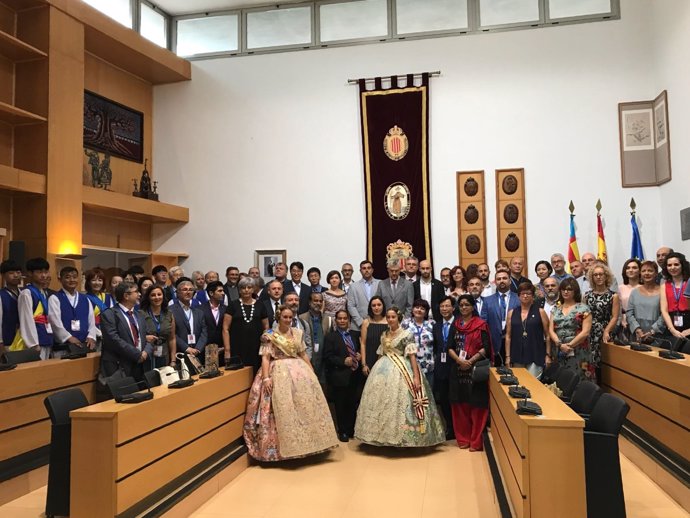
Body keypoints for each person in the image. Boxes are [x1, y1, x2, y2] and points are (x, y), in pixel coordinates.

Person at [243, 305, 338, 461]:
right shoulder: (269, 335)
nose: (288, 320)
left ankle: (307, 444)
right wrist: (266, 378)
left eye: (290, 317)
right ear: (278, 318)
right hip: (277, 370)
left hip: (298, 371)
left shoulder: (297, 333)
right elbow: (266, 358)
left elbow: (303, 354)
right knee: (280, 406)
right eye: (284, 317)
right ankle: (278, 449)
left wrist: (311, 371)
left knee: (303, 405)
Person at [354, 306, 446, 447]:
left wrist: (416, 376)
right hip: (383, 370)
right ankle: (381, 435)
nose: (390, 320)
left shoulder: (406, 334)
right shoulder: (384, 334)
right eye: (389, 317)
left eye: (393, 317)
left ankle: (404, 436)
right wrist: (375, 374)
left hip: (402, 369)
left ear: (399, 318)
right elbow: (381, 353)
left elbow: (412, 356)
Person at [448, 294, 492, 451]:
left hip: (476, 371)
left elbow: (486, 348)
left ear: (473, 307)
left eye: (467, 304)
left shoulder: (481, 325)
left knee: (477, 408)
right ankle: (463, 439)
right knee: (460, 407)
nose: (464, 307)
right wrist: (460, 361)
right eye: (461, 305)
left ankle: (475, 441)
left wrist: (470, 361)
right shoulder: (456, 324)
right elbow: (449, 347)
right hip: (458, 370)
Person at [324, 310, 364, 442]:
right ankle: (343, 431)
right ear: (335, 321)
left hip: (354, 375)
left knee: (352, 404)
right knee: (340, 405)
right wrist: (342, 361)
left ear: (349, 321)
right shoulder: (331, 337)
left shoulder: (355, 335)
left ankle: (352, 429)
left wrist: (359, 354)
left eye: (345, 318)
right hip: (339, 376)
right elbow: (328, 357)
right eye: (339, 319)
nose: (342, 321)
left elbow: (360, 349)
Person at [100, 282, 152, 382]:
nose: (140, 294)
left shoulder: (139, 314)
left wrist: (145, 352)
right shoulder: (109, 314)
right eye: (136, 292)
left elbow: (149, 336)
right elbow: (113, 340)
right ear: (126, 296)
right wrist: (137, 354)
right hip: (120, 365)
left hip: (141, 364)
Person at [549, 278, 593, 381]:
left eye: (569, 289)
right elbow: (551, 330)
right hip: (559, 349)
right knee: (561, 380)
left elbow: (585, 332)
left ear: (575, 291)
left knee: (580, 381)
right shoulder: (555, 308)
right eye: (563, 289)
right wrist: (560, 345)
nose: (565, 292)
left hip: (578, 349)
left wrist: (569, 346)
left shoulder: (584, 308)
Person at [505, 282, 550, 378]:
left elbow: (548, 335)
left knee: (533, 385)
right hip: (517, 355)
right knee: (518, 385)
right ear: (518, 296)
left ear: (533, 296)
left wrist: (548, 355)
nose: (525, 296)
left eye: (528, 293)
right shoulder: (511, 313)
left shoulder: (540, 312)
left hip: (536, 354)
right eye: (522, 293)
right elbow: (508, 336)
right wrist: (508, 357)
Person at [223, 277, 268, 372]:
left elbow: (266, 327)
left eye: (249, 287)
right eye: (243, 287)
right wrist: (227, 350)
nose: (246, 290)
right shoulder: (233, 305)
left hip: (256, 346)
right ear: (239, 290)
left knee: (256, 374)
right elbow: (225, 328)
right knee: (237, 377)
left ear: (253, 289)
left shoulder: (260, 305)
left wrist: (265, 341)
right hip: (237, 347)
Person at [48, 266, 98, 353]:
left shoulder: (85, 299)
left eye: (74, 277)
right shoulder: (55, 298)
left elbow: (91, 321)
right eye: (67, 277)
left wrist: (91, 336)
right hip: (64, 345)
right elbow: (55, 322)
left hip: (84, 344)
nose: (72, 280)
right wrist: (68, 337)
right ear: (60, 279)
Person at [584, 262, 619, 380]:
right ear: (592, 278)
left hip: (605, 331)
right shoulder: (586, 295)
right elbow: (583, 315)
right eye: (595, 275)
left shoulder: (613, 296)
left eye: (601, 274)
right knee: (589, 362)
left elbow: (614, 316)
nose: (598, 277)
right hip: (589, 332)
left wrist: (606, 331)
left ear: (606, 276)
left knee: (603, 364)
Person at [480, 270, 519, 365]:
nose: (502, 281)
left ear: (510, 281)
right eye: (499, 279)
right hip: (494, 344)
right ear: (495, 282)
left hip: (515, 342)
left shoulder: (519, 298)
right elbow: (483, 324)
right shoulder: (487, 301)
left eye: (504, 278)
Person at [17, 257, 53, 359]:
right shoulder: (26, 293)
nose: (44, 275)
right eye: (39, 272)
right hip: (35, 342)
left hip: (45, 336)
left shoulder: (43, 292)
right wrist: (33, 343)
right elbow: (26, 319)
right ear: (30, 273)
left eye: (46, 272)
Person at [432, 296, 456, 440]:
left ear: (453, 308)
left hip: (455, 364)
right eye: (442, 306)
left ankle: (459, 427)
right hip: (441, 366)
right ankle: (450, 427)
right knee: (444, 398)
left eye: (447, 306)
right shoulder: (437, 325)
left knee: (456, 398)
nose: (445, 309)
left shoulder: (459, 323)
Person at [170, 277, 208, 367]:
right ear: (178, 292)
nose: (188, 292)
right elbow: (172, 334)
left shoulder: (199, 312)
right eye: (184, 289)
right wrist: (187, 348)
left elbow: (204, 332)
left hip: (197, 354)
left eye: (191, 290)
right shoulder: (170, 311)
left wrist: (198, 349)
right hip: (180, 354)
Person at [627, 261, 666, 342]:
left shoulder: (663, 291)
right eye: (643, 271)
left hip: (658, 336)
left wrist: (652, 331)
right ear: (640, 273)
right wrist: (637, 329)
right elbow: (629, 313)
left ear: (656, 273)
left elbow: (664, 315)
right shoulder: (634, 292)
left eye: (650, 271)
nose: (646, 273)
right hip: (637, 335)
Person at [300, 291, 332, 389]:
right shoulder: (301, 318)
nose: (318, 303)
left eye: (320, 301)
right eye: (315, 300)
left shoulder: (328, 319)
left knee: (322, 387)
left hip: (323, 359)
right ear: (310, 302)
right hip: (307, 358)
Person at [140, 285, 176, 369]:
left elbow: (172, 338)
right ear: (148, 297)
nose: (157, 297)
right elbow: (135, 336)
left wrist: (173, 360)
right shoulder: (141, 314)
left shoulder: (169, 314)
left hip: (164, 354)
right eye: (153, 295)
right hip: (147, 355)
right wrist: (144, 338)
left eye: (159, 294)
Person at [402, 299, 435, 387]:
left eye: (422, 308)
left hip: (428, 364)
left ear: (426, 312)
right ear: (412, 309)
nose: (419, 310)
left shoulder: (432, 324)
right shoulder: (405, 324)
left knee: (428, 393)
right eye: (417, 307)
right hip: (409, 364)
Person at [660, 252, 690, 338]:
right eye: (669, 265)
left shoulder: (689, 282)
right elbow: (664, 310)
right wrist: (672, 329)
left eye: (676, 264)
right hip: (672, 326)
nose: (672, 268)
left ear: (682, 265)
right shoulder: (664, 285)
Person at [347, 260, 379, 330]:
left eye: (369, 268)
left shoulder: (380, 284)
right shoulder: (353, 286)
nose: (366, 270)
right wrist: (361, 322)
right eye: (364, 268)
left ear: (372, 270)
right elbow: (351, 306)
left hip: (377, 324)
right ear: (360, 271)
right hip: (358, 326)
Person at [359, 295, 387, 374]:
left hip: (384, 360)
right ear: (370, 307)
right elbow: (363, 344)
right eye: (373, 305)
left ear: (383, 306)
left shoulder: (389, 322)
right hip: (369, 359)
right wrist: (363, 364)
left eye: (379, 305)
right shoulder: (366, 322)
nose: (376, 307)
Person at [0, 260, 22, 354]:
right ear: (3, 276)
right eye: (11, 273)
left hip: (23, 340)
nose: (16, 275)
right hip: (7, 341)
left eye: (18, 272)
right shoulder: (1, 295)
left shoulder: (25, 294)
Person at [618, 258, 641, 337]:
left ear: (640, 270)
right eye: (628, 268)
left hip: (641, 322)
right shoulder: (620, 288)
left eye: (634, 268)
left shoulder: (644, 288)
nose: (631, 270)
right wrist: (622, 318)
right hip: (625, 324)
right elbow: (618, 308)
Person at [200, 280, 226, 348]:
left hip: (222, 347)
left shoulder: (226, 309)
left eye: (223, 291)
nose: (223, 293)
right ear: (211, 293)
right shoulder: (200, 309)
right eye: (220, 291)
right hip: (204, 348)